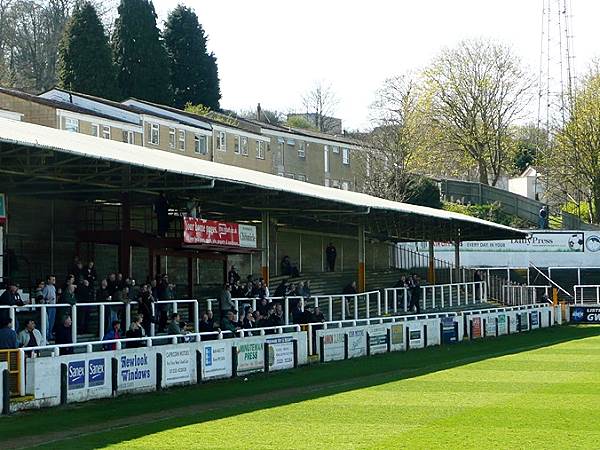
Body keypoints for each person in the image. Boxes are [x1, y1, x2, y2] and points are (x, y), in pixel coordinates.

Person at [42, 275, 57, 341]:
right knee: (48, 321)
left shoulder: (53, 287)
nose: (54, 280)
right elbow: (43, 297)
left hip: (54, 306)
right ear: (48, 280)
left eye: (54, 279)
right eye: (52, 279)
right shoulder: (46, 288)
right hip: (49, 306)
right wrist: (48, 300)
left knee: (52, 321)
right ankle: (47, 336)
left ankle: (50, 334)